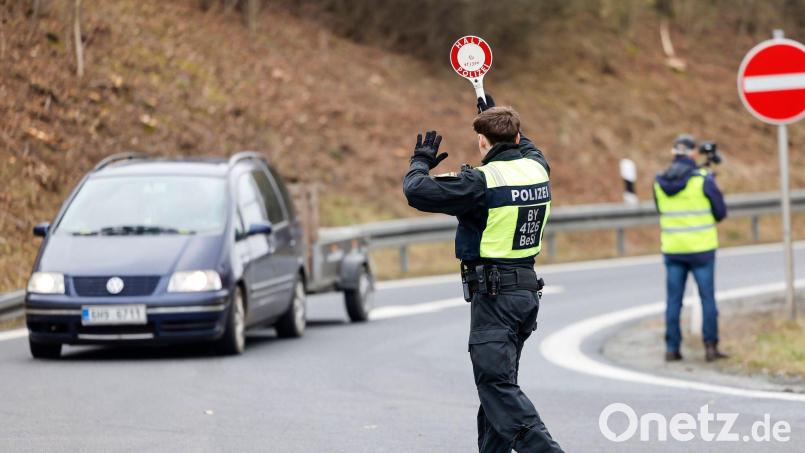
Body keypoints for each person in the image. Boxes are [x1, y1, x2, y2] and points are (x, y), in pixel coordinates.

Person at [403, 95, 563, 453]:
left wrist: (420, 161)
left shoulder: (479, 182)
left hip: (495, 299)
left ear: (481, 142)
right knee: (498, 389)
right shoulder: (538, 167)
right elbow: (527, 144)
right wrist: (491, 113)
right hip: (525, 295)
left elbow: (416, 191)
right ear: (518, 138)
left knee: (496, 387)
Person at [653, 134, 728, 362]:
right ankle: (711, 347)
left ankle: (672, 349)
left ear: (673, 153)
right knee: (707, 298)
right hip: (702, 250)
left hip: (674, 249)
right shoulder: (703, 179)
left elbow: (661, 210)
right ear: (694, 153)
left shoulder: (659, 181)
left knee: (674, 300)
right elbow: (720, 212)